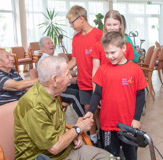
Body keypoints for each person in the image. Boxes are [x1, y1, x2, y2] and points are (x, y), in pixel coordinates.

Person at [14, 56, 111, 160]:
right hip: (44, 157)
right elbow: (54, 147)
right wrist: (78, 129)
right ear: (55, 79)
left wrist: (72, 134)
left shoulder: (53, 93)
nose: (70, 77)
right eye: (67, 74)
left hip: (66, 150)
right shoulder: (33, 104)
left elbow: (54, 128)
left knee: (109, 157)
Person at [84, 31, 147, 160]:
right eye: (106, 53)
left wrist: (136, 119)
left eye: (113, 52)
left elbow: (141, 96)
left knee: (131, 156)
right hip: (107, 124)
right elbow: (97, 93)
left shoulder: (135, 70)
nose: (109, 56)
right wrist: (90, 111)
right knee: (110, 156)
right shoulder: (102, 69)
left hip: (128, 124)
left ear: (124, 48)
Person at [66, 5, 103, 145]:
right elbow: (75, 59)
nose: (71, 25)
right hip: (84, 83)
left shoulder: (98, 34)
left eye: (72, 22)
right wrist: (63, 69)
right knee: (89, 114)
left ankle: (104, 137)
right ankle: (93, 139)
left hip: (98, 83)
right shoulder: (75, 38)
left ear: (81, 18)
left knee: (101, 113)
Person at [37, 36, 85, 117]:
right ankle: (86, 122)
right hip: (55, 90)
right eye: (48, 43)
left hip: (63, 85)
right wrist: (75, 76)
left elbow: (64, 74)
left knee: (82, 87)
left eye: (52, 42)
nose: (51, 45)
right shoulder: (45, 61)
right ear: (42, 48)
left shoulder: (53, 58)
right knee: (75, 94)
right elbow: (58, 78)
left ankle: (93, 119)